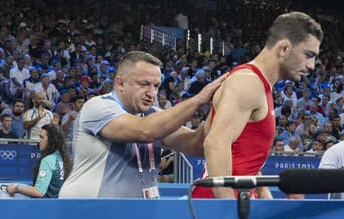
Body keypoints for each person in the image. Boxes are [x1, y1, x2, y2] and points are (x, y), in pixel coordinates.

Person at [58, 51, 226, 199]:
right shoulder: (98, 107)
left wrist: (220, 107)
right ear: (120, 83)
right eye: (144, 84)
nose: (151, 93)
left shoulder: (153, 115)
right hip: (88, 211)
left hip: (135, 213)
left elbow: (196, 145)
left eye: (156, 86)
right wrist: (198, 100)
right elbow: (145, 131)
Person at [198, 12, 323, 199]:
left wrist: (263, 194)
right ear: (284, 49)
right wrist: (229, 208)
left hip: (238, 197)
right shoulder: (248, 82)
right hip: (223, 203)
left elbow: (244, 155)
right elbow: (216, 143)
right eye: (308, 55)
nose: (312, 65)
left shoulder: (258, 84)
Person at [5, 124, 71, 198]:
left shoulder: (48, 160)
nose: (38, 140)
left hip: (45, 206)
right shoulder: (63, 158)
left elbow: (39, 191)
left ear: (52, 140)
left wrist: (16, 188)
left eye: (42, 137)